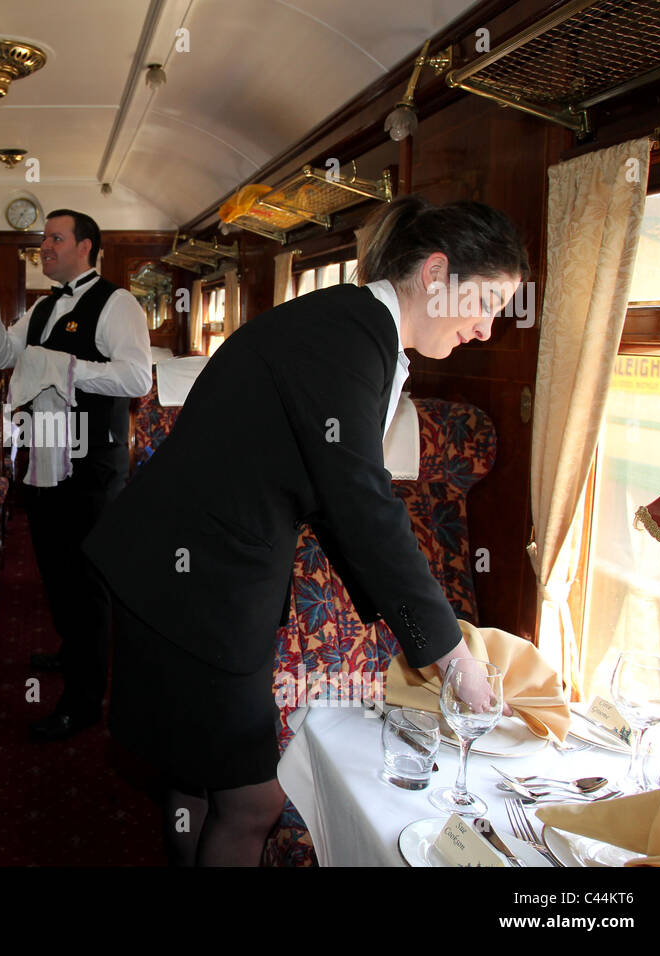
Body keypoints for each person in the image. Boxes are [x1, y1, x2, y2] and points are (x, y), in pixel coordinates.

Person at [83, 195, 527, 864]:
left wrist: (407, 625)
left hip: (189, 572)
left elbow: (328, 488)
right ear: (436, 275)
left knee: (196, 769)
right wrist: (452, 655)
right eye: (487, 304)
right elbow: (361, 502)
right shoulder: (347, 337)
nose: (488, 329)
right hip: (193, 585)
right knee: (253, 801)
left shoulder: (352, 329)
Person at [0, 210, 151, 740]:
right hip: (43, 460)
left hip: (92, 467)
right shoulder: (43, 308)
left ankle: (86, 701)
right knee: (55, 571)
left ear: (86, 246)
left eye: (54, 238)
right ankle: (72, 653)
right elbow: (0, 354)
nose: (43, 247)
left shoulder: (118, 304)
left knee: (87, 583)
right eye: (43, 239)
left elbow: (136, 375)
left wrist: (63, 367)